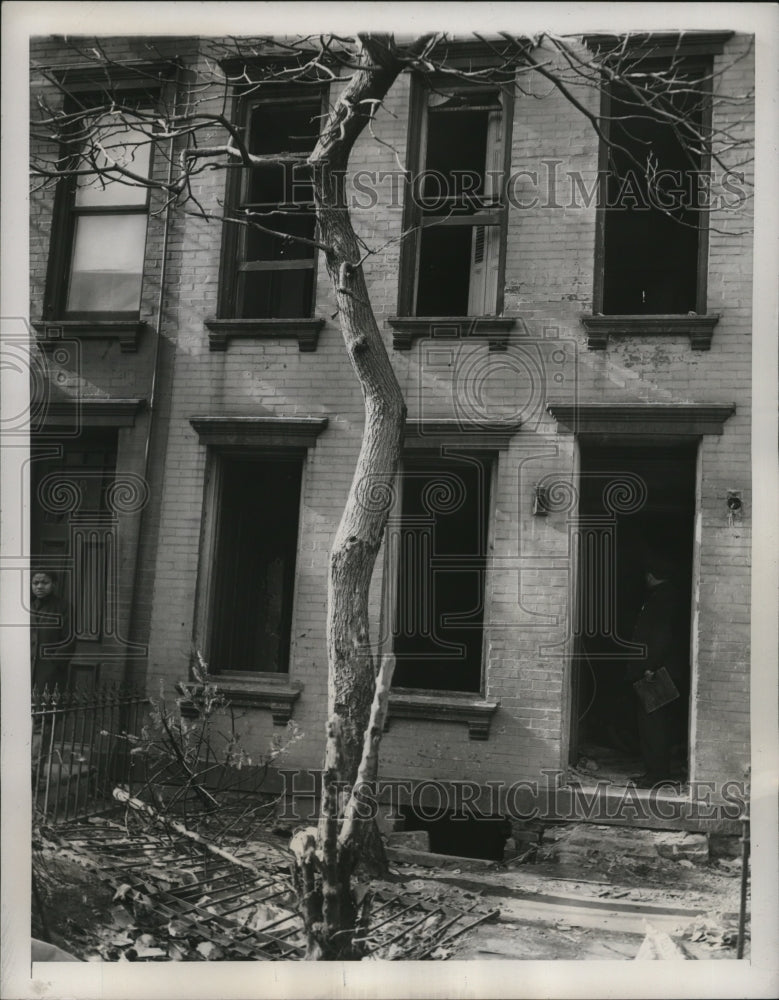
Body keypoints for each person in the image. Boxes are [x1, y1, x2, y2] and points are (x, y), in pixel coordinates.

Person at [627, 553, 688, 786]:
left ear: (652, 576)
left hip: (658, 672)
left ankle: (656, 776)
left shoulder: (662, 599)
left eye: (646, 574)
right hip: (666, 669)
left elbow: (661, 638)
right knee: (657, 721)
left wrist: (650, 667)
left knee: (653, 723)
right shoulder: (668, 597)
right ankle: (656, 773)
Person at [30, 570, 75, 692]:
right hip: (22, 669)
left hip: (48, 671)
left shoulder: (63, 607)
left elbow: (68, 639)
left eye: (45, 583)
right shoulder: (27, 606)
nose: (39, 586)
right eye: (35, 583)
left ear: (54, 584)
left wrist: (54, 664)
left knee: (44, 706)